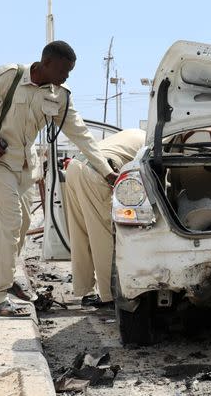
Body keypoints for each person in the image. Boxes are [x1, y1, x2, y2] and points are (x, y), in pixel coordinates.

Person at [0, 41, 118, 318]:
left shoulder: (58, 95)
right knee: (10, 224)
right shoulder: (9, 77)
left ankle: (9, 277)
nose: (67, 76)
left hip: (25, 168)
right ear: (46, 64)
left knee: (23, 224)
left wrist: (107, 171)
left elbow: (81, 135)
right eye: (64, 70)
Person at [66, 129, 145, 308]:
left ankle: (84, 290)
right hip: (98, 172)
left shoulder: (134, 133)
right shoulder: (151, 143)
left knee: (80, 233)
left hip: (75, 166)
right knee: (104, 236)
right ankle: (110, 295)